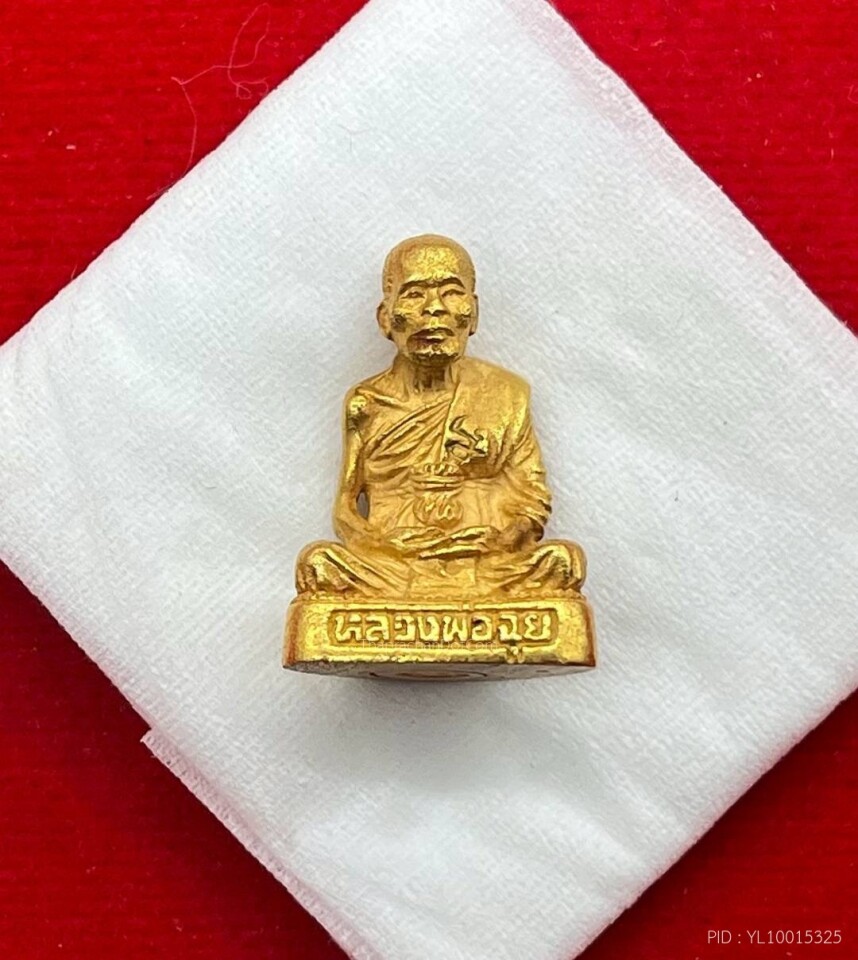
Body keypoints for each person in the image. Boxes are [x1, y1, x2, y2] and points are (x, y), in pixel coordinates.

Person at [295, 234, 585, 600]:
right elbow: (346, 511)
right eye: (414, 294)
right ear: (385, 317)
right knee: (318, 563)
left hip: (483, 562)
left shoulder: (505, 394)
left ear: (473, 313)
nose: (434, 308)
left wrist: (499, 538)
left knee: (563, 562)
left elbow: (532, 499)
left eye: (451, 292)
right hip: (394, 566)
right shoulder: (366, 403)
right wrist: (387, 544)